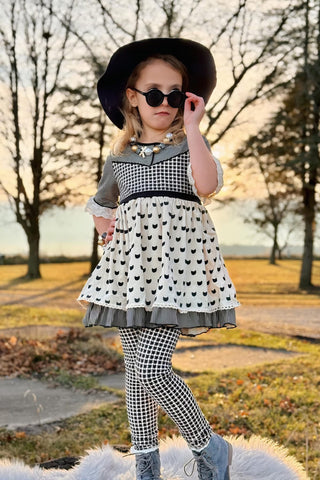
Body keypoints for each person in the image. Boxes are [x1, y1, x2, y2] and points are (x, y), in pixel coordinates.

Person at [78, 38, 240, 480]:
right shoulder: (121, 159)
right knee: (135, 371)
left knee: (151, 367)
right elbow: (100, 205)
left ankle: (210, 448)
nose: (164, 102)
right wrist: (105, 229)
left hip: (178, 272)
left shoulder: (189, 147)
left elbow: (207, 185)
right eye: (154, 93)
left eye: (175, 94)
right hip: (132, 275)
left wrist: (194, 129)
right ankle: (146, 466)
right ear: (132, 96)